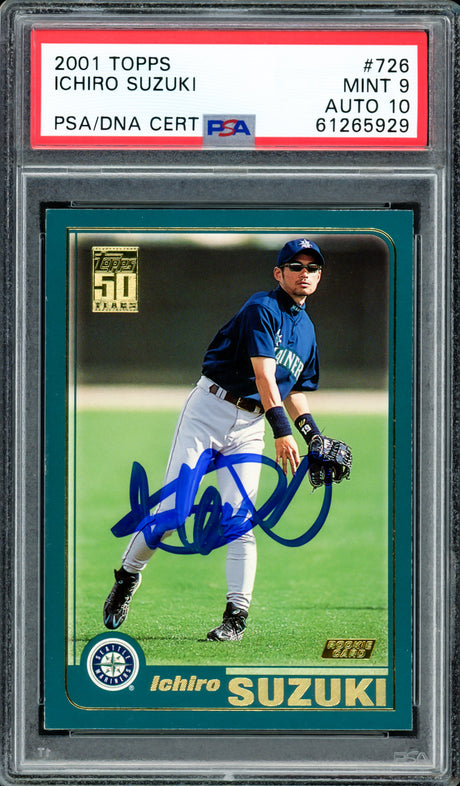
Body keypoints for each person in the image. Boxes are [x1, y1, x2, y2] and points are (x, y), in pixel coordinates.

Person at [103, 238, 352, 641]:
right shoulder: (261, 308)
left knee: (239, 523)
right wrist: (283, 432)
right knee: (173, 515)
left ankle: (235, 617)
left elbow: (292, 388)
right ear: (279, 273)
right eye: (296, 266)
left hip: (249, 427)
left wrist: (313, 435)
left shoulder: (307, 330)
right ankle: (128, 576)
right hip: (208, 412)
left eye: (313, 268)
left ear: (319, 276)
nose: (304, 273)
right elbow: (264, 376)